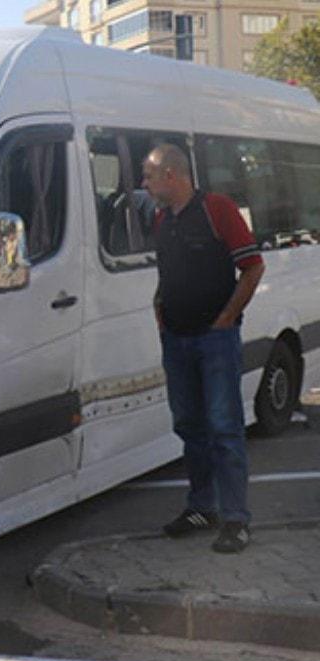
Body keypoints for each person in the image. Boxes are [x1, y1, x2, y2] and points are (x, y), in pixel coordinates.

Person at [143, 143, 265, 554]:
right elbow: (169, 271)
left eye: (148, 175)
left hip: (214, 340)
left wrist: (227, 317)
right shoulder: (162, 218)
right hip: (176, 340)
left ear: (171, 175)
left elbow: (252, 267)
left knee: (224, 428)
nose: (144, 184)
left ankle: (235, 518)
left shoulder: (217, 209)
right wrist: (159, 305)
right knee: (189, 425)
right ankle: (202, 507)